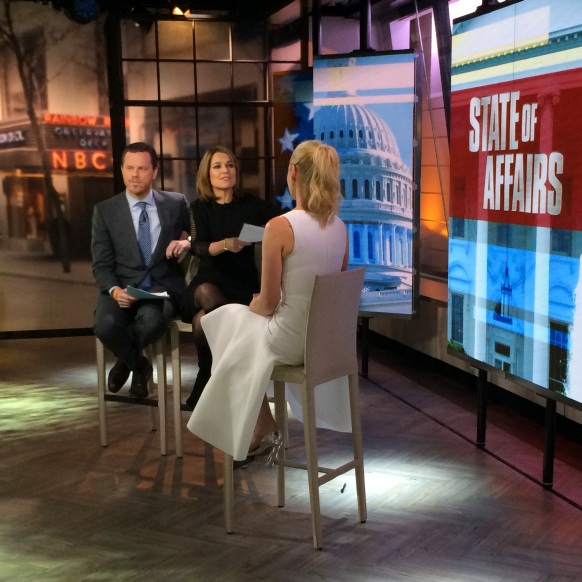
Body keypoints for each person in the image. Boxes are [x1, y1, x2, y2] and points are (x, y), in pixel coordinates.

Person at [186, 140, 350, 462]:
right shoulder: (340, 227)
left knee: (224, 322)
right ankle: (262, 423)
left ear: (293, 172)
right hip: (326, 342)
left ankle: (252, 424)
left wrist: (254, 304)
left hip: (289, 341)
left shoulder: (281, 225)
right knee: (230, 324)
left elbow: (268, 303)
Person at [166, 145, 280, 409]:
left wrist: (261, 235)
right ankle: (230, 373)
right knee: (206, 292)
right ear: (207, 174)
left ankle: (207, 375)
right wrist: (227, 244)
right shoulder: (200, 207)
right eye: (217, 166)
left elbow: (281, 226)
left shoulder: (253, 205)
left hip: (242, 281)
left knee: (202, 321)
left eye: (229, 165)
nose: (225, 170)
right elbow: (197, 246)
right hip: (209, 279)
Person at [92, 142, 190, 399]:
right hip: (121, 286)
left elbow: (200, 233)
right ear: (122, 170)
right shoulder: (105, 211)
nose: (135, 175)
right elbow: (101, 264)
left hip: (160, 288)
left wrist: (186, 242)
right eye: (130, 168)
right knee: (105, 326)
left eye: (142, 168)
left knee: (153, 322)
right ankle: (140, 365)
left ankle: (125, 361)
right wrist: (115, 291)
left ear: (154, 171)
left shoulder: (176, 203)